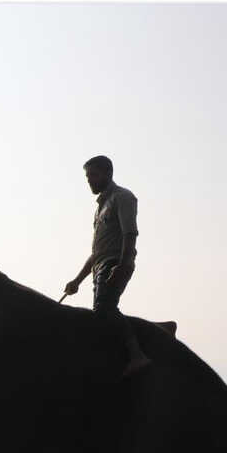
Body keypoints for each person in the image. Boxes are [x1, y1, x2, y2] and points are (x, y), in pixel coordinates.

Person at [63, 155, 151, 377]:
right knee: (104, 312)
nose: (89, 181)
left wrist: (123, 265)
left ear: (107, 173)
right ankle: (155, 331)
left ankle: (137, 355)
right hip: (100, 264)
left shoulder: (123, 197)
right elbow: (96, 254)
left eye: (93, 175)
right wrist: (77, 281)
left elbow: (130, 233)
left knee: (103, 309)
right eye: (87, 176)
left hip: (115, 262)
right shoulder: (100, 208)